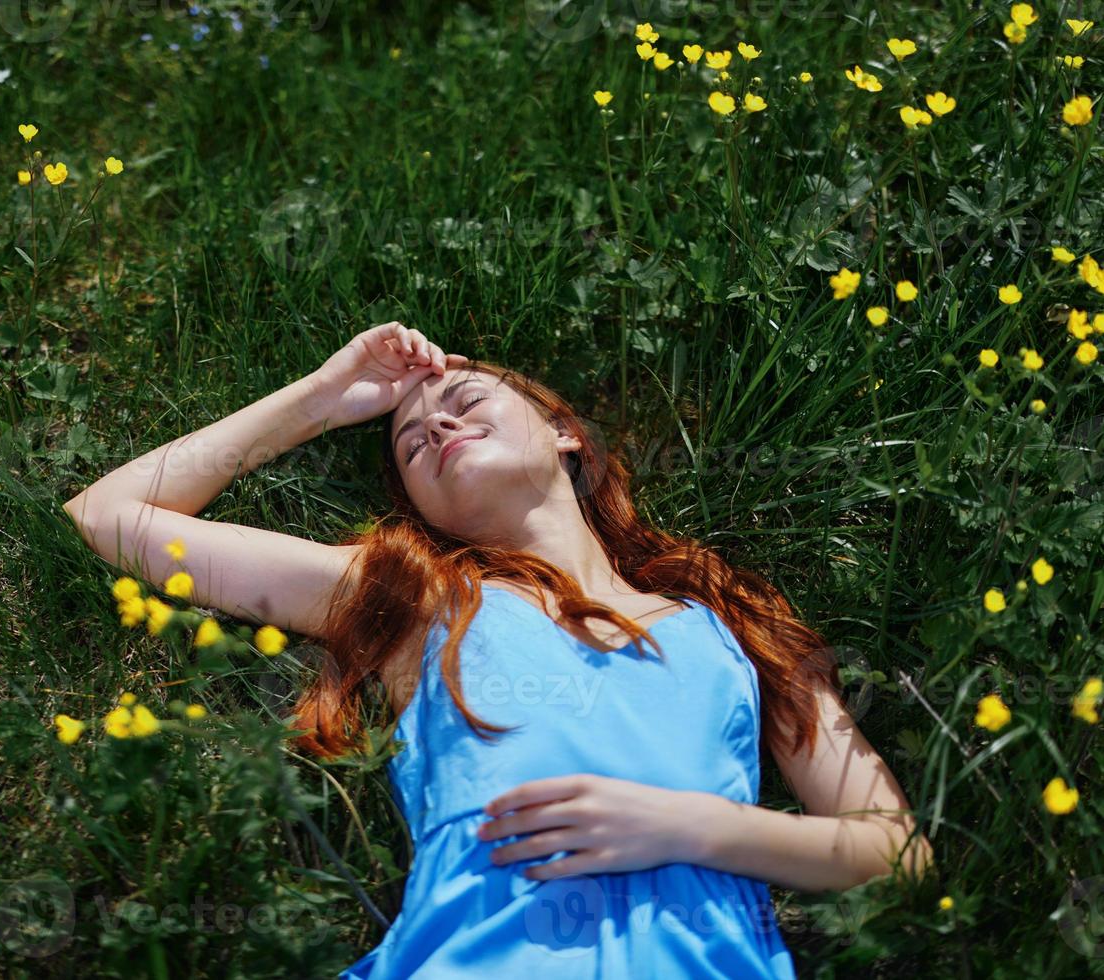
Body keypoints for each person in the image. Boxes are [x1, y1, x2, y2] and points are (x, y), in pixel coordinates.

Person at [63, 321, 935, 977]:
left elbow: (896, 852)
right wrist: (320, 399)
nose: (434, 428)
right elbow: (109, 519)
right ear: (419, 506)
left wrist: (687, 825)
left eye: (465, 402)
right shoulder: (417, 598)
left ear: (565, 434)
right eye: (409, 441)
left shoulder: (729, 616)